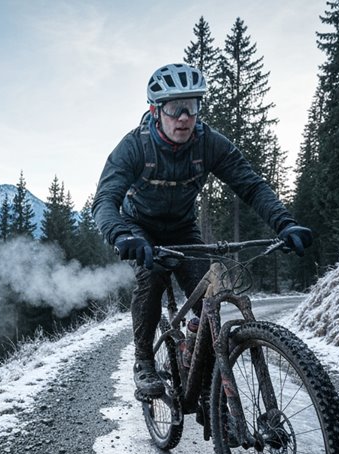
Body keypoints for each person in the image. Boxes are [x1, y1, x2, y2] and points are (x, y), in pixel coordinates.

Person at [92, 62, 312, 402]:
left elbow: (251, 186)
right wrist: (122, 235)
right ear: (155, 110)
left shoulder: (209, 144)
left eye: (192, 107)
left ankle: (204, 364)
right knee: (150, 279)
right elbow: (105, 200)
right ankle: (144, 362)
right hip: (139, 230)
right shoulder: (134, 147)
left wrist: (284, 223)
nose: (184, 117)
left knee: (211, 291)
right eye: (175, 108)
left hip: (182, 228)